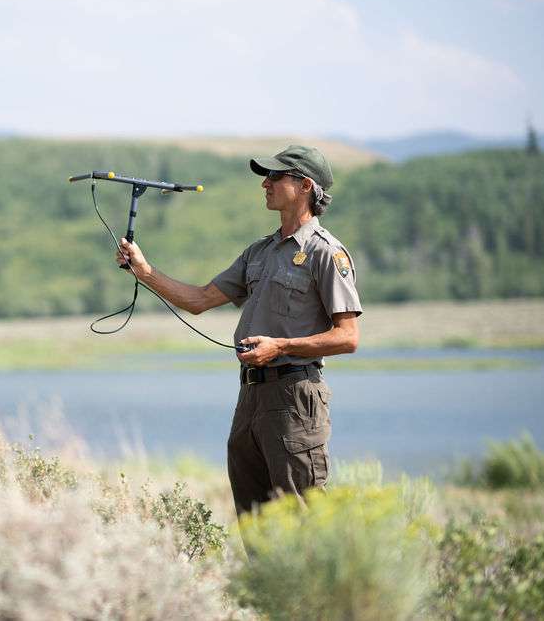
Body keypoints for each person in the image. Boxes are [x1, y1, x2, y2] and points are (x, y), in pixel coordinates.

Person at [115, 145, 362, 516]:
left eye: (276, 176)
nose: (265, 183)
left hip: (296, 398)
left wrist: (279, 346)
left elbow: (348, 337)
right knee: (256, 524)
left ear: (306, 185)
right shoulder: (259, 252)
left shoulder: (326, 252)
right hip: (250, 398)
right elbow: (199, 299)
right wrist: (144, 271)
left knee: (305, 522)